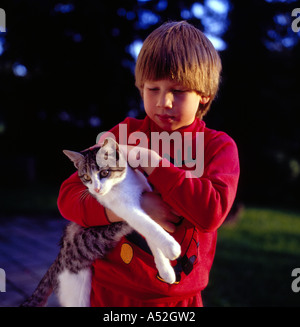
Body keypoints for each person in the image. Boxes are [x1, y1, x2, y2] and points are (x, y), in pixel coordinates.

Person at [57, 21, 240, 307]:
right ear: (140, 87)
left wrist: (152, 163)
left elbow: (210, 213)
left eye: (178, 91)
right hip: (110, 292)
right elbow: (68, 199)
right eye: (152, 88)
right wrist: (133, 210)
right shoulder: (123, 135)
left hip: (178, 300)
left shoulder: (217, 147)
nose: (163, 101)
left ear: (204, 93)